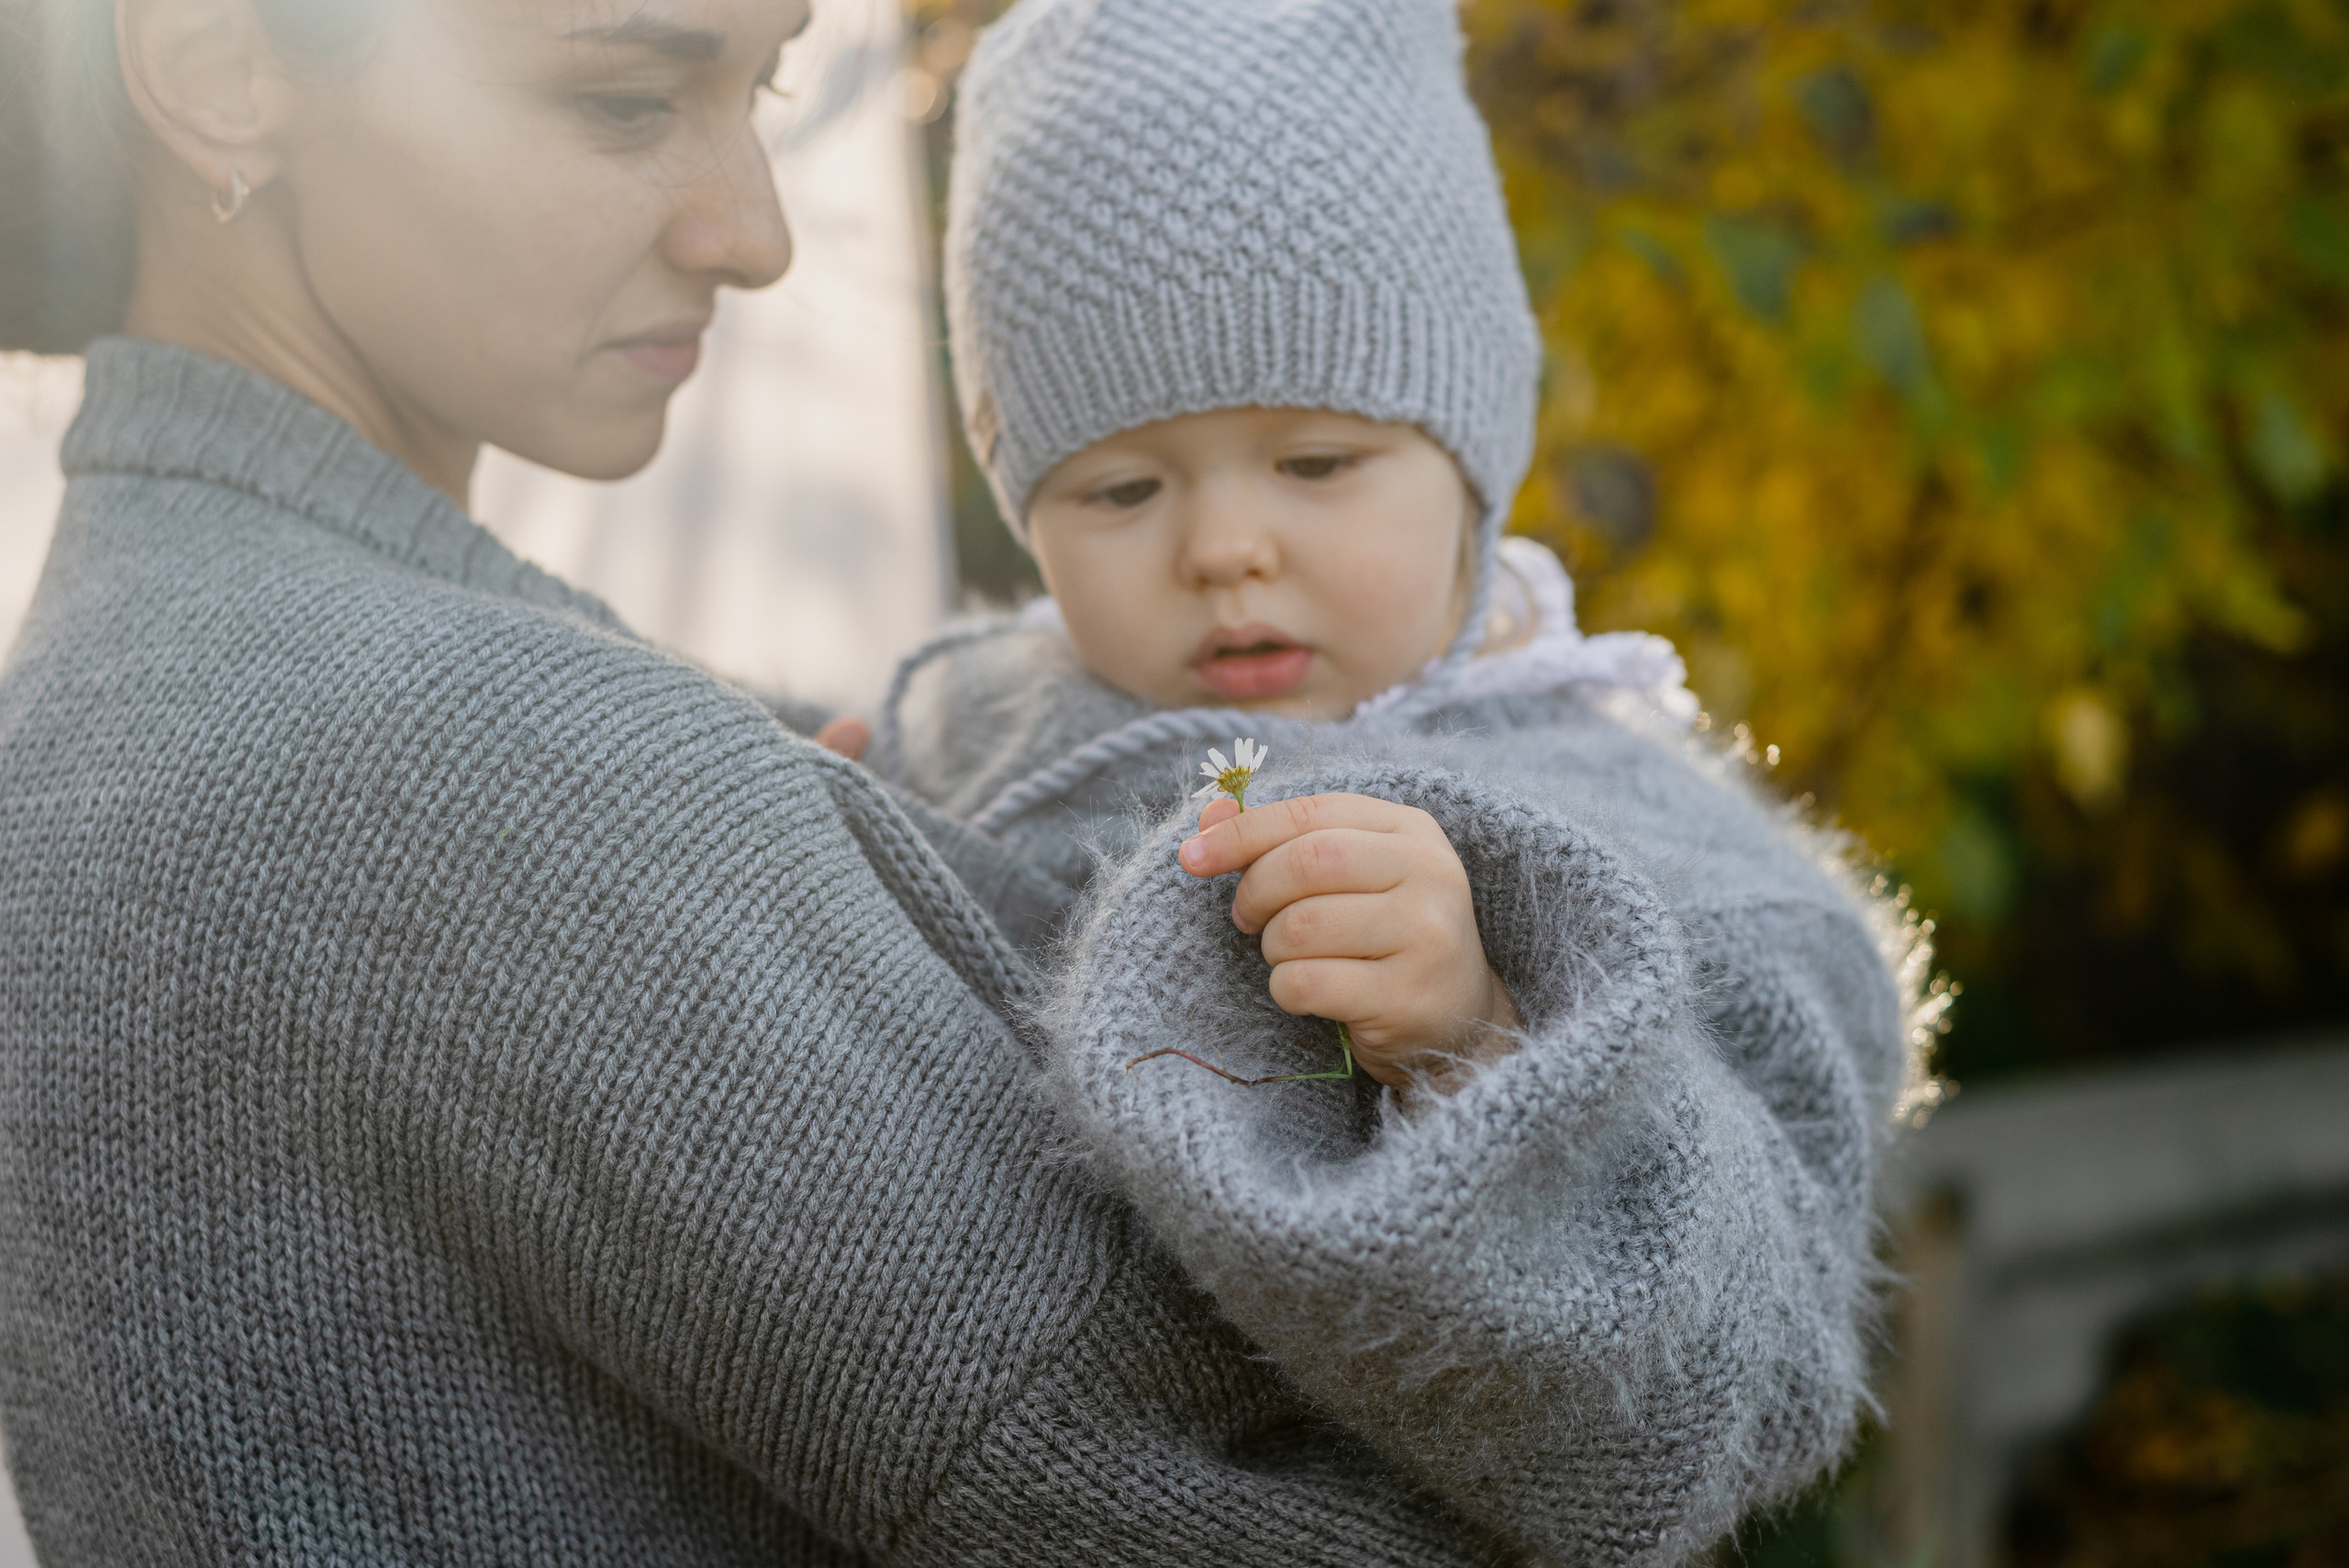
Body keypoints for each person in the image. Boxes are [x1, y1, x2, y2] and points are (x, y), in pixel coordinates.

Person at [0, 0, 1906, 1564]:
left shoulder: (119, 700)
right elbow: (1409, 1510)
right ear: (221, 64)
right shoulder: (442, 760)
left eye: (759, 93)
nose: (751, 231)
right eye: (621, 94)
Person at [863, 0, 1925, 1547]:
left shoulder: (1614, 799)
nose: (1225, 542)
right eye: (1119, 484)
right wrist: (851, 811)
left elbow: (1741, 1362)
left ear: (1472, 463)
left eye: (1316, 463)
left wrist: (1479, 1035)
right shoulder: (999, 716)